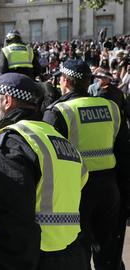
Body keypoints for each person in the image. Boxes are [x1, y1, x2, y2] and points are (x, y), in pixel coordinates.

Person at [0, 73, 89, 269]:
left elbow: (12, 223)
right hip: (72, 254)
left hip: (32, 258)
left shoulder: (11, 143)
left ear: (7, 101)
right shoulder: (59, 140)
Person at [44, 59, 130, 269]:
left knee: (75, 249)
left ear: (64, 81)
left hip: (75, 191)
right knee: (108, 250)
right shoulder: (111, 107)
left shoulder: (58, 112)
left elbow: (49, 160)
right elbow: (124, 154)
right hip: (110, 188)